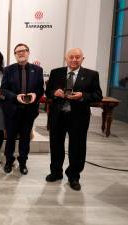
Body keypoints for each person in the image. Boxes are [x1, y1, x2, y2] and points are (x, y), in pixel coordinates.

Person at [45, 48, 102, 191]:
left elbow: (97, 95)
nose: (74, 59)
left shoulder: (91, 75)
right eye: (71, 57)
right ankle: (56, 172)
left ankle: (74, 176)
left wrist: (82, 95)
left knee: (77, 147)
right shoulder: (56, 72)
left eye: (78, 57)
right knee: (56, 145)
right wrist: (54, 92)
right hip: (58, 116)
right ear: (66, 58)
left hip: (79, 117)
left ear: (83, 58)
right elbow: (48, 92)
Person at [1, 43, 44, 175]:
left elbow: (40, 89)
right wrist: (15, 97)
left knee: (25, 138)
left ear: (28, 52)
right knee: (10, 138)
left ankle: (23, 162)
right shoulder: (8, 70)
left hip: (29, 111)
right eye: (17, 52)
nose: (21, 53)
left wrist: (35, 95)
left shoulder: (37, 70)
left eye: (23, 51)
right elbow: (3, 89)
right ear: (15, 55)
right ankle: (9, 161)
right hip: (12, 110)